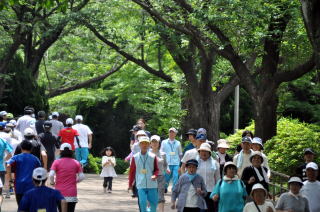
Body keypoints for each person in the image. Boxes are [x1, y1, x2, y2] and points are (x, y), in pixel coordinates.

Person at [49, 143, 85, 212]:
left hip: (59, 193)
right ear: (71, 152)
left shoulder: (56, 162)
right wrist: (75, 181)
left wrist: (52, 183)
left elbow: (51, 175)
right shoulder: (76, 162)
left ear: (60, 151)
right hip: (72, 193)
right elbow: (82, 176)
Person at [128, 136, 159, 212]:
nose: (144, 145)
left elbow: (156, 169)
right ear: (139, 145)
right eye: (142, 143)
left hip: (152, 185)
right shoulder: (135, 157)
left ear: (149, 145)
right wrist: (130, 185)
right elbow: (131, 172)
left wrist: (155, 175)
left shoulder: (153, 156)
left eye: (146, 143)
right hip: (140, 184)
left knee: (153, 204)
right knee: (142, 202)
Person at [6, 140, 41, 205]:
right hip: (32, 185)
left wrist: (10, 179)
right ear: (31, 148)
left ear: (21, 148)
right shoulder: (35, 159)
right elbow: (39, 172)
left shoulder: (16, 157)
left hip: (19, 185)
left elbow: (8, 165)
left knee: (21, 206)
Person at [196, 143, 220, 212]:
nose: (203, 153)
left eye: (206, 151)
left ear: (209, 152)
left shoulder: (215, 163)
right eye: (202, 151)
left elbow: (218, 179)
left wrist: (217, 192)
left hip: (211, 192)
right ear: (199, 152)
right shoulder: (195, 163)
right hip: (198, 191)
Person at [150, 135, 168, 212]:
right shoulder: (147, 153)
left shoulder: (163, 154)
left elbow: (165, 164)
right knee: (150, 195)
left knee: (160, 196)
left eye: (156, 142)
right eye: (153, 142)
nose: (154, 143)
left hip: (161, 177)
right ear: (150, 143)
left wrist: (167, 169)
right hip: (150, 177)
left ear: (159, 143)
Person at [0, 136, 13, 206]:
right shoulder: (3, 141)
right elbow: (10, 154)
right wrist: (4, 160)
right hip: (1, 168)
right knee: (0, 193)